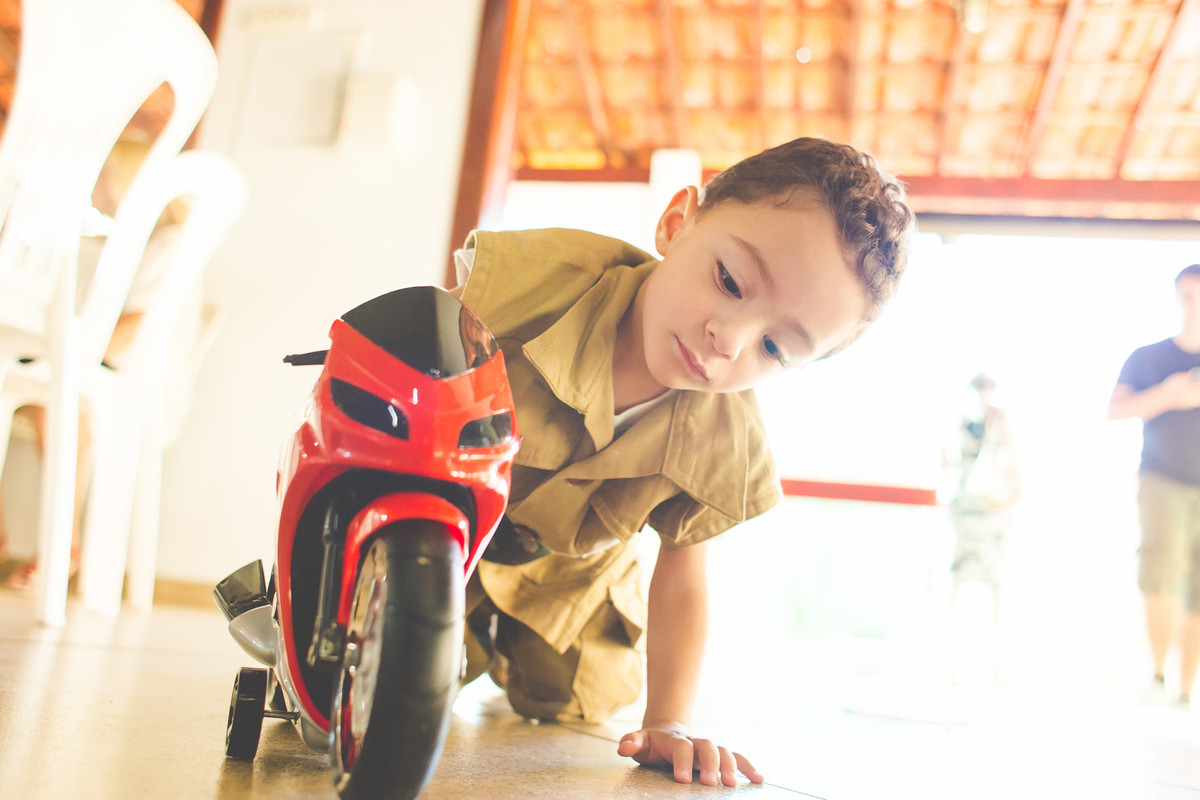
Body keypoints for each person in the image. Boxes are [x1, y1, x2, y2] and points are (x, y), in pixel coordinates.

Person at [450, 136, 913, 786]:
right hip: (434, 526)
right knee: (389, 664)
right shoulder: (532, 281)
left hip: (573, 581)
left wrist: (667, 721)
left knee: (571, 703)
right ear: (677, 222)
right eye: (730, 281)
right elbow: (409, 357)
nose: (729, 340)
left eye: (776, 348)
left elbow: (684, 576)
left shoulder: (728, 439)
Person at [0, 138, 195, 587]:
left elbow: (132, 335)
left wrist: (66, 344)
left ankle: (61, 548)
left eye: (104, 179)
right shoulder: (108, 246)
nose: (96, 189)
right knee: (40, 391)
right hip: (102, 373)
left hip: (140, 388)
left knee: (62, 400)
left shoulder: (167, 246)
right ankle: (43, 544)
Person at [1108, 263, 1200, 707]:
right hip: (1162, 480)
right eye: (1186, 294)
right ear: (1176, 297)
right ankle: (1159, 677)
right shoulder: (1148, 357)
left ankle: (1186, 691)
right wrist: (1169, 394)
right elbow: (1115, 410)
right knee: (1160, 574)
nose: (1193, 303)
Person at [942, 373, 1020, 686]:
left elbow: (944, 464)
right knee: (983, 585)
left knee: (980, 585)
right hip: (984, 508)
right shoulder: (986, 421)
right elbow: (1014, 464)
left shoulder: (970, 421)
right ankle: (981, 664)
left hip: (980, 508)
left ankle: (991, 663)